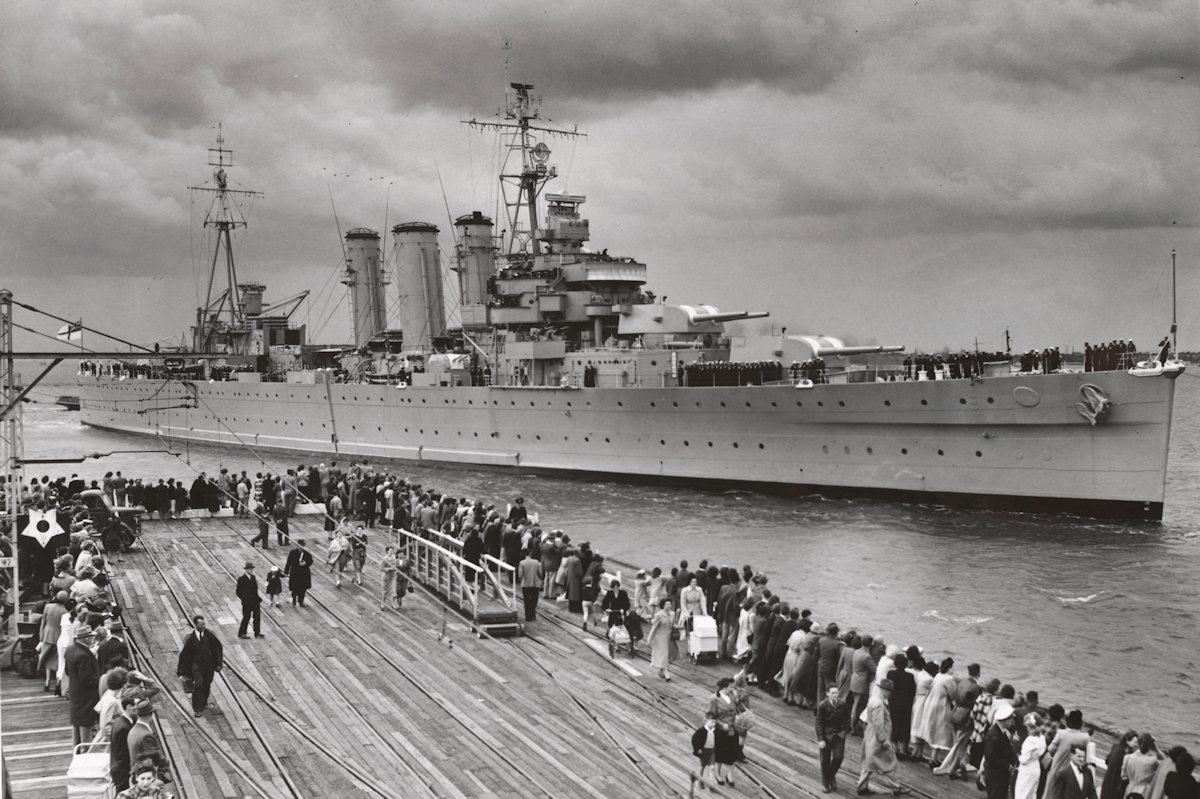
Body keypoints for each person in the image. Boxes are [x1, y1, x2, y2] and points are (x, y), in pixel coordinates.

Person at [857, 678, 910, 795]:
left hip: (870, 735)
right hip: (877, 738)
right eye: (889, 691)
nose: (890, 694)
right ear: (884, 690)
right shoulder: (879, 704)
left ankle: (862, 787)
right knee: (890, 762)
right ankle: (896, 787)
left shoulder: (874, 700)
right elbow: (878, 724)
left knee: (869, 762)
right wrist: (884, 740)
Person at [176, 615, 223, 717]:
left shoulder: (210, 635)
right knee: (198, 685)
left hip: (209, 665)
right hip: (196, 666)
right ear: (195, 625)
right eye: (201, 625)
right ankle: (197, 708)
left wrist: (219, 664)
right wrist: (181, 671)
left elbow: (217, 649)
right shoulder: (190, 638)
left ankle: (204, 701)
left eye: (204, 624)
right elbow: (185, 654)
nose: (203, 626)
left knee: (207, 684)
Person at [65, 624, 100, 744]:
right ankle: (86, 751)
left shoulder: (70, 650)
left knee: (77, 724)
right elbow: (87, 679)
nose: (93, 639)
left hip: (76, 695)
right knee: (86, 725)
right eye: (91, 637)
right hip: (86, 698)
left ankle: (77, 750)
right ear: (85, 638)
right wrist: (102, 681)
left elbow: (67, 671)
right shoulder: (84, 655)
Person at [816, 683, 851, 793]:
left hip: (839, 735)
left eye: (836, 693)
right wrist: (821, 739)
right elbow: (819, 723)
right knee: (825, 760)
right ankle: (826, 783)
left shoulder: (843, 704)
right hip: (827, 735)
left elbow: (847, 718)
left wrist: (845, 730)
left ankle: (830, 776)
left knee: (838, 758)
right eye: (832, 693)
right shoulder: (822, 706)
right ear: (827, 694)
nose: (835, 695)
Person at [706, 678, 741, 787]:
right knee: (720, 754)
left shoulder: (733, 696)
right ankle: (717, 774)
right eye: (731, 687)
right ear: (724, 687)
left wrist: (738, 704)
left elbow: (737, 710)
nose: (733, 689)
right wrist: (721, 724)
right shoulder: (714, 699)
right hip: (721, 731)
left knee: (733, 753)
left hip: (733, 729)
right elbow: (710, 716)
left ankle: (730, 775)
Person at [984, 703, 1018, 799]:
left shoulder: (1000, 731)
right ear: (1005, 720)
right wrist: (1007, 765)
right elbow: (990, 756)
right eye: (1010, 719)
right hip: (995, 774)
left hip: (1000, 773)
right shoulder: (994, 734)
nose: (1011, 722)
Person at [1016, 712, 1047, 799]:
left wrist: (1019, 756)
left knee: (1021, 794)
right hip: (1036, 767)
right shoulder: (1042, 738)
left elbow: (1024, 760)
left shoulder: (1030, 740)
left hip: (1027, 770)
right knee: (1032, 795)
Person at [110, 694, 137, 791]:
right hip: (123, 773)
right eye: (135, 705)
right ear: (129, 707)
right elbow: (123, 755)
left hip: (117, 768)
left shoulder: (118, 722)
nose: (137, 708)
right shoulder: (124, 728)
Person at [1101, 731, 1139, 799]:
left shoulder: (1115, 746)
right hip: (1118, 783)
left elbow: (1107, 761)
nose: (1137, 745)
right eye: (1135, 742)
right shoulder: (1129, 753)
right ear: (1127, 740)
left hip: (1108, 779)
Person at [1124, 733, 1164, 798]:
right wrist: (1155, 747)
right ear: (1150, 745)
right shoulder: (1153, 761)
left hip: (1130, 788)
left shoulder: (1128, 757)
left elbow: (1124, 776)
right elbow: (1164, 762)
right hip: (1144, 790)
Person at [648, 599, 673, 681]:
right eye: (667, 604)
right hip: (661, 638)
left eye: (670, 604)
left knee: (667, 655)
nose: (669, 606)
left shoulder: (672, 614)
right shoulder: (659, 615)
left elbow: (672, 625)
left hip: (669, 637)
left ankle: (661, 669)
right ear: (663, 606)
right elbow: (654, 627)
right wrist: (649, 639)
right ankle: (666, 672)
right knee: (664, 654)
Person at [236, 562, 263, 639]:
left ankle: (257, 632)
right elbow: (238, 592)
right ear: (246, 570)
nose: (251, 571)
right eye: (250, 569)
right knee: (246, 617)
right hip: (247, 602)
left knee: (257, 617)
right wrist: (244, 598)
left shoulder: (253, 577)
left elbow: (255, 589)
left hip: (255, 601)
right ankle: (242, 633)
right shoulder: (241, 579)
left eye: (252, 569)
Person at [692, 714, 718, 790]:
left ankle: (711, 784)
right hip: (704, 751)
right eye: (712, 722)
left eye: (715, 722)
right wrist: (697, 748)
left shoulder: (715, 731)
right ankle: (700, 780)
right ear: (706, 721)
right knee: (702, 766)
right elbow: (694, 739)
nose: (714, 724)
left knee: (712, 767)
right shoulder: (701, 731)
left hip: (712, 751)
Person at [284, 539, 313, 607]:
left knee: (303, 589)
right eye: (300, 546)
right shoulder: (293, 553)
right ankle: (294, 599)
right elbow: (288, 562)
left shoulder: (307, 553)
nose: (301, 548)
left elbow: (310, 561)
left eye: (302, 546)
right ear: (297, 546)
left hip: (304, 573)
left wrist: (306, 563)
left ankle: (301, 601)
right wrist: (286, 571)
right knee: (295, 588)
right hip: (295, 573)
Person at [518, 549, 542, 622]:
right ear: (530, 553)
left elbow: (520, 575)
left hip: (525, 584)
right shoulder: (536, 562)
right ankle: (533, 614)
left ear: (523, 554)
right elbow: (540, 574)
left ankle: (528, 617)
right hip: (535, 583)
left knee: (526, 600)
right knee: (534, 600)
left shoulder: (522, 563)